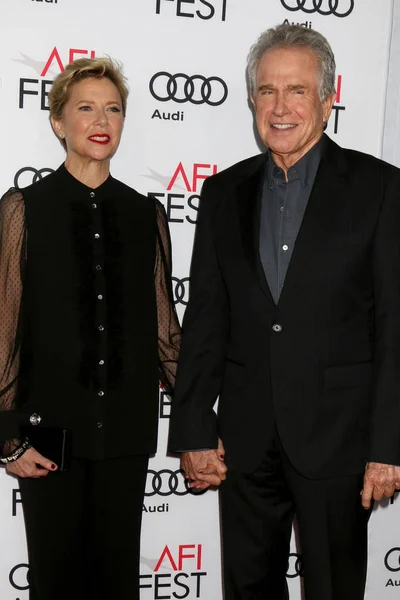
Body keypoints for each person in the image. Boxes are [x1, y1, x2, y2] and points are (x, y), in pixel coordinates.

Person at [169, 23, 400, 600]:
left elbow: (396, 325)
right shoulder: (223, 194)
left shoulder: (380, 188)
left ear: (328, 97)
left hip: (339, 443)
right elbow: (205, 319)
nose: (281, 107)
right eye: (267, 91)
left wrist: (388, 446)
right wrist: (194, 427)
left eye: (297, 90)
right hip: (243, 444)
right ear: (251, 99)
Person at [0, 57, 180, 600]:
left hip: (125, 433)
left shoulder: (144, 213)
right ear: (58, 122)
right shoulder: (24, 209)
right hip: (47, 433)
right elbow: (3, 332)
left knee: (117, 582)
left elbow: (163, 331)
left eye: (113, 109)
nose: (101, 120)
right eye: (85, 108)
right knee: (55, 583)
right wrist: (8, 438)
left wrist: (199, 416)